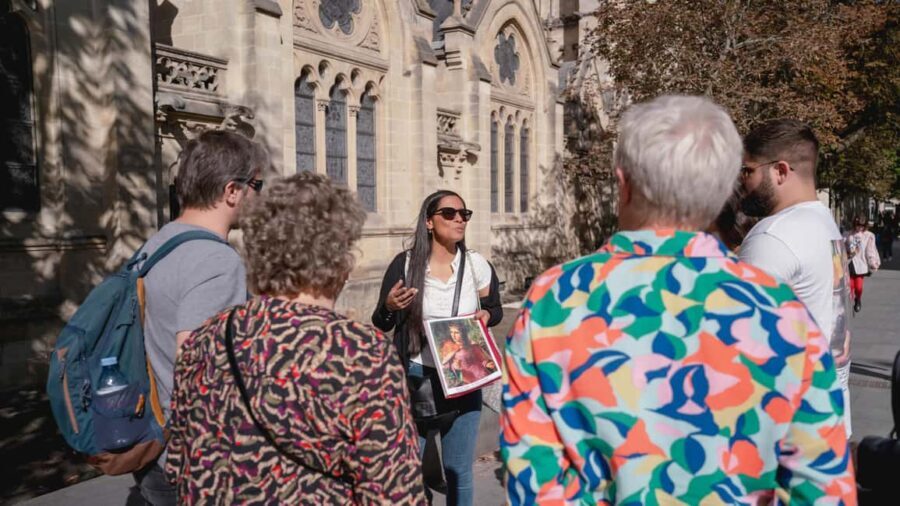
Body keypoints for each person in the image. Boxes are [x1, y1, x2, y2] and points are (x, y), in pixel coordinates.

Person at [501, 96, 855, 504]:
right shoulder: (783, 312)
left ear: (624, 182)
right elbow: (823, 490)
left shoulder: (554, 301)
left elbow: (536, 483)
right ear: (724, 190)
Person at [166, 173, 425, 504]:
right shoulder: (360, 354)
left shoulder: (203, 341)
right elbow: (395, 495)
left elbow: (178, 464)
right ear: (340, 258)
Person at [133, 130, 268, 505]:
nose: (259, 194)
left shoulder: (157, 243)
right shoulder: (216, 260)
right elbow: (199, 371)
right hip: (197, 462)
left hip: (155, 447)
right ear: (232, 191)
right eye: (257, 184)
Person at [371, 190, 503, 506]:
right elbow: (382, 321)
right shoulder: (405, 265)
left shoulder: (476, 265)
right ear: (429, 222)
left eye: (464, 214)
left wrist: (486, 315)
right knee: (407, 470)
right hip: (416, 377)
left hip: (464, 377)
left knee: (458, 471)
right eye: (449, 213)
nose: (459, 219)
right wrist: (390, 305)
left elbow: (495, 308)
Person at [738, 119, 854, 435]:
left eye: (747, 170)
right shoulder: (822, 221)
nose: (742, 181)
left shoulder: (774, 236)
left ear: (780, 171)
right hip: (829, 422)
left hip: (787, 435)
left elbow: (738, 342)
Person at [846, 215, 881, 312]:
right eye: (858, 225)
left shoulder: (868, 236)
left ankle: (858, 300)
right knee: (850, 286)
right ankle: (851, 301)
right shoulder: (848, 234)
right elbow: (842, 248)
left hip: (861, 263)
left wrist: (872, 262)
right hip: (849, 263)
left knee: (859, 287)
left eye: (862, 226)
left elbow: (870, 250)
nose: (859, 228)